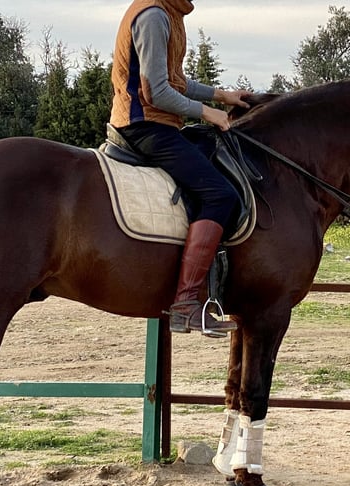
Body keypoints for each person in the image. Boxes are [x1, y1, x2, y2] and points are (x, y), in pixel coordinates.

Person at [110, 0, 252, 337]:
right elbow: (156, 92)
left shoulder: (170, 12)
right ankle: (187, 305)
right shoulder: (154, 16)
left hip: (158, 124)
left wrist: (223, 96)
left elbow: (175, 82)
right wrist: (208, 113)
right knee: (220, 196)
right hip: (143, 126)